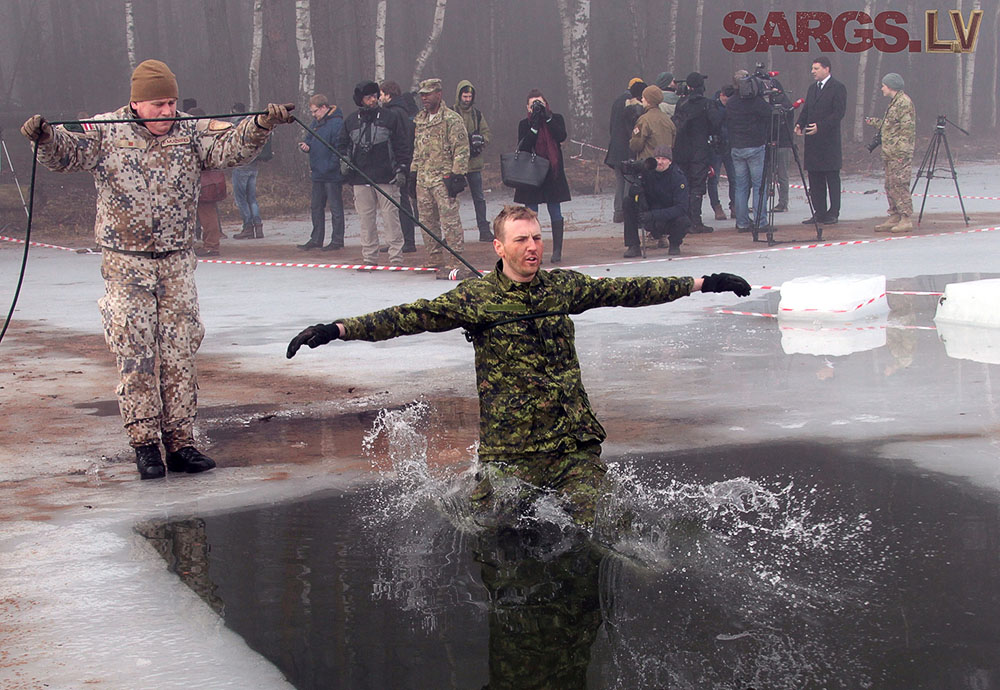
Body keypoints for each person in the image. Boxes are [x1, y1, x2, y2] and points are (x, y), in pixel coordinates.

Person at [286, 204, 751, 525]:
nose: (532, 247)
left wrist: (703, 282)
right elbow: (407, 317)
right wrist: (338, 328)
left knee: (603, 523)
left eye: (537, 238)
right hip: (511, 451)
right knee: (494, 533)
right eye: (521, 240)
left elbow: (628, 290)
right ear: (499, 247)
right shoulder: (476, 299)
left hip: (572, 444)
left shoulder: (561, 289)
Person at [20, 59, 292, 479]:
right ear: (136, 103)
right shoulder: (106, 131)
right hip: (125, 261)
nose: (167, 111)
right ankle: (145, 444)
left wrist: (260, 126)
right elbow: (66, 155)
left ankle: (181, 442)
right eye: (158, 104)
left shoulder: (189, 130)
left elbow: (229, 149)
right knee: (135, 350)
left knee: (179, 349)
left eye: (171, 102)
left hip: (176, 259)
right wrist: (45, 137)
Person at [338, 80, 411, 266]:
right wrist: (343, 160)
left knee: (391, 218)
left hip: (387, 177)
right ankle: (369, 257)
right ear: (360, 100)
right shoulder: (351, 121)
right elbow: (342, 145)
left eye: (374, 96)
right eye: (368, 97)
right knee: (366, 219)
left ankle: (396, 258)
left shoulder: (390, 117)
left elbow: (402, 145)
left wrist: (402, 169)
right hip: (359, 178)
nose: (373, 99)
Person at [410, 78, 471, 279]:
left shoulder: (451, 119)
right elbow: (417, 150)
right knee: (427, 222)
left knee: (450, 221)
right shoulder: (420, 120)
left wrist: (457, 175)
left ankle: (456, 261)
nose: (425, 98)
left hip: (444, 179)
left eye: (428, 94)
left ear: (439, 94)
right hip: (423, 179)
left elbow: (461, 149)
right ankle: (434, 257)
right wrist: (413, 173)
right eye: (422, 95)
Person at [514, 90, 571, 264]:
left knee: (555, 210)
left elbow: (561, 136)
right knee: (531, 214)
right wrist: (535, 125)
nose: (537, 107)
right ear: (527, 107)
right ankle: (532, 250)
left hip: (552, 172)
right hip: (532, 173)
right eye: (533, 105)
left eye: (539, 103)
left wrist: (546, 118)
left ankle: (557, 250)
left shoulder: (556, 118)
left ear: (546, 104)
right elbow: (524, 146)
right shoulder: (524, 124)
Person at [795, 56, 847, 225]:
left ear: (826, 69)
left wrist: (821, 126)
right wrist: (799, 124)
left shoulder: (838, 88)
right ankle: (819, 212)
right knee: (815, 177)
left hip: (829, 142)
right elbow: (807, 108)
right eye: (812, 68)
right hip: (812, 141)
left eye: (816, 68)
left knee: (831, 177)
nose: (813, 72)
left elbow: (838, 113)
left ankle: (833, 212)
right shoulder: (812, 88)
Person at [672, 72, 723, 233]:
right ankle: (695, 221)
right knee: (697, 185)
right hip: (699, 150)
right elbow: (716, 124)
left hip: (681, 150)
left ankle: (685, 220)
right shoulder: (707, 104)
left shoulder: (681, 103)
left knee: (684, 184)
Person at [866, 73, 915, 234]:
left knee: (899, 185)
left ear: (891, 86)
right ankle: (895, 215)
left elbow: (907, 131)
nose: (882, 88)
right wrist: (874, 122)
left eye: (884, 85)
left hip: (898, 154)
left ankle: (906, 218)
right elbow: (890, 126)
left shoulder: (903, 103)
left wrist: (901, 153)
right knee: (890, 185)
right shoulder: (894, 103)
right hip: (889, 153)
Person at [623, 145, 691, 257]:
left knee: (684, 221)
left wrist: (653, 215)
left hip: (668, 219)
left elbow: (681, 208)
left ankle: (674, 244)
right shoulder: (647, 172)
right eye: (657, 158)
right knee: (628, 202)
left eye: (664, 159)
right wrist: (635, 188)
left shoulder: (678, 177)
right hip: (648, 215)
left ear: (670, 161)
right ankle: (633, 246)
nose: (660, 162)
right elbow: (634, 195)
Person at [727, 71, 774, 232]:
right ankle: (761, 222)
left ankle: (742, 222)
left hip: (736, 147)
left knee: (741, 187)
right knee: (759, 186)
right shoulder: (756, 102)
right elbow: (770, 113)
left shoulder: (731, 102)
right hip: (754, 146)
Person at [298, 93, 345, 251]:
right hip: (317, 172)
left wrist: (331, 166)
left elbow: (339, 147)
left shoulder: (337, 123)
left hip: (331, 174)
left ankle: (337, 240)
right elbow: (309, 139)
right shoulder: (315, 123)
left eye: (315, 111)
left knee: (335, 208)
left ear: (324, 107)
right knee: (316, 207)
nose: (313, 115)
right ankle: (316, 238)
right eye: (311, 112)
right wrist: (306, 146)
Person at [380, 80, 418, 252]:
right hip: (398, 161)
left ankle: (407, 241)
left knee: (401, 203)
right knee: (396, 203)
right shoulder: (401, 111)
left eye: (381, 94)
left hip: (398, 163)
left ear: (388, 95)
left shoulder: (395, 113)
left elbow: (401, 140)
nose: (379, 98)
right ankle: (399, 240)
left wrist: (400, 163)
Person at [454, 80, 494, 243]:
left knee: (479, 198)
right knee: (452, 200)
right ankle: (452, 232)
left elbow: (487, 133)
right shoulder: (451, 113)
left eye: (470, 96)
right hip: (456, 164)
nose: (467, 99)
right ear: (459, 96)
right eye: (464, 96)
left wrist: (481, 140)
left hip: (474, 163)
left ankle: (484, 229)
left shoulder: (477, 115)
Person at [188, 107, 228, 257]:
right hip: (208, 179)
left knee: (207, 214)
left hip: (202, 180)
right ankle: (210, 244)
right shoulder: (212, 133)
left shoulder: (198, 135)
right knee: (208, 213)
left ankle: (211, 245)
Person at [604, 77, 643, 224]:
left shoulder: (617, 101)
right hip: (628, 149)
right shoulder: (634, 105)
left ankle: (618, 212)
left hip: (615, 149)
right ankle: (628, 212)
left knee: (620, 181)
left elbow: (611, 126)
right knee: (629, 180)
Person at [230, 101, 270, 240]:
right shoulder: (251, 123)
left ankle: (247, 227)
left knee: (241, 198)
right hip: (254, 165)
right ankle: (258, 226)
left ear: (234, 111)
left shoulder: (236, 125)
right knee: (252, 198)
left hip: (241, 165)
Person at [629, 84, 676, 161]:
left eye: (643, 97)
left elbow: (636, 145)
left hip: (648, 164)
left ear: (649, 101)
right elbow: (672, 143)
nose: (642, 99)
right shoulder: (668, 120)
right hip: (664, 166)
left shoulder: (644, 120)